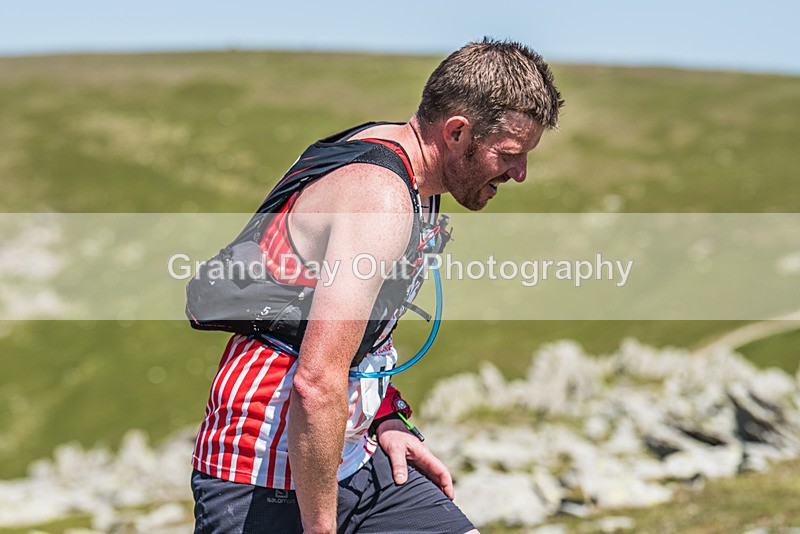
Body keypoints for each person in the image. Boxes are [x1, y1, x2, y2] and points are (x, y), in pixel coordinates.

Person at [191, 37, 563, 534]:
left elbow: (361, 330)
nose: (520, 173)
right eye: (511, 154)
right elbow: (316, 381)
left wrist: (386, 416)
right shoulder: (380, 198)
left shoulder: (410, 170)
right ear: (456, 132)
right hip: (266, 468)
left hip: (349, 455)